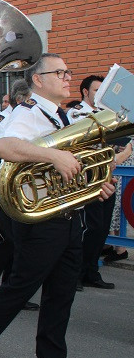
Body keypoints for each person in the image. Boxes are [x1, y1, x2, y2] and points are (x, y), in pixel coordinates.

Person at [0, 53, 116, 358]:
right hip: (42, 224)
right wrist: (54, 154)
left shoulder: (65, 117)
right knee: (18, 290)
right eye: (60, 72)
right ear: (38, 80)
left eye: (69, 70)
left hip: (69, 217)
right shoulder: (27, 113)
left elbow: (71, 167)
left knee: (62, 294)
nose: (68, 76)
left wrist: (94, 185)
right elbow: (4, 145)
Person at [0, 79, 39, 310]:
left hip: (22, 187)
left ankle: (10, 290)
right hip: (3, 187)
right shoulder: (3, 121)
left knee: (20, 241)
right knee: (7, 239)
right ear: (21, 99)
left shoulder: (26, 117)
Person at [69, 74, 131, 290]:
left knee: (102, 227)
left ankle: (91, 271)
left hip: (105, 175)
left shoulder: (106, 114)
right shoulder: (78, 113)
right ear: (86, 92)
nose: (100, 95)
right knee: (90, 227)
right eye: (96, 91)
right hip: (87, 177)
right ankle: (75, 274)